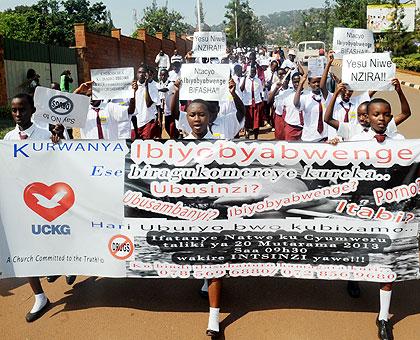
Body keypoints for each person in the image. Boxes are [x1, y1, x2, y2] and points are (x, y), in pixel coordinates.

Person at [4, 93, 62, 322]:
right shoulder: (8, 138)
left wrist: (60, 142)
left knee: (53, 240)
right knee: (23, 252)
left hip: (45, 202)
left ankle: (63, 265)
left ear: (33, 111)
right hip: (19, 202)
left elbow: (66, 161)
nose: (18, 115)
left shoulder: (47, 135)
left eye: (23, 110)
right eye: (14, 110)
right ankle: (40, 297)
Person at [325, 79, 411, 141]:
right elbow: (328, 119)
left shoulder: (393, 133)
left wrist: (399, 91)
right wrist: (336, 93)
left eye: (386, 115)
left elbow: (405, 113)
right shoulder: (355, 136)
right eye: (376, 115)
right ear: (369, 117)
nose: (381, 118)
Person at [131, 65, 160, 140]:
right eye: (139, 72)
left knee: (147, 145)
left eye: (143, 72)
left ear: (147, 74)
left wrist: (146, 86)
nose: (141, 74)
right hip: (135, 121)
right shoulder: (132, 87)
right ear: (136, 74)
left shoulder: (153, 86)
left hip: (148, 121)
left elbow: (148, 104)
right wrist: (134, 91)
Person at [240, 66, 264, 139]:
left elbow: (261, 91)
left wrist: (261, 101)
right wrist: (244, 78)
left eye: (254, 71)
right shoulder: (243, 79)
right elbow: (241, 89)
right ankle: (247, 135)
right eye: (251, 71)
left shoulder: (258, 80)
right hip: (247, 103)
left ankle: (256, 136)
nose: (253, 73)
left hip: (257, 103)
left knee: (256, 121)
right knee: (247, 121)